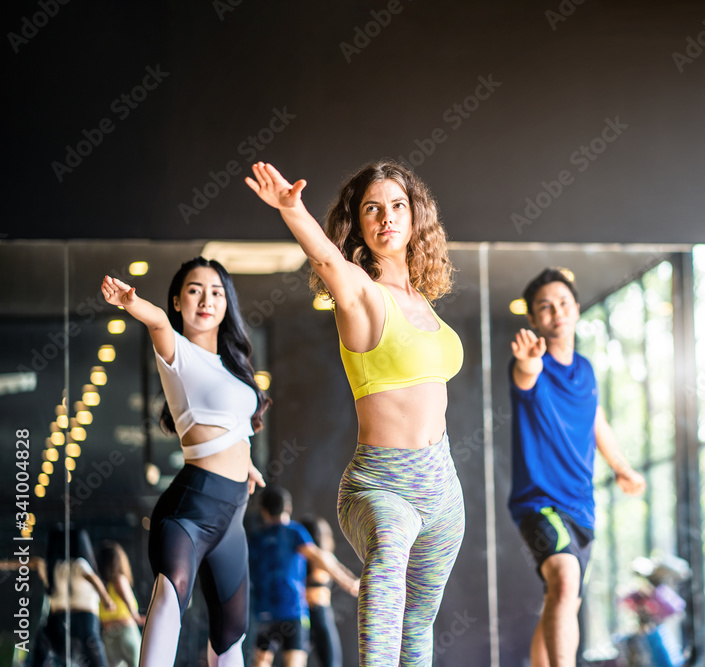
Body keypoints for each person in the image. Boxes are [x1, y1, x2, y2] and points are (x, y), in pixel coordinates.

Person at [246, 160, 465, 666]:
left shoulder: (424, 305)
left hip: (443, 486)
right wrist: (292, 210)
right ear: (359, 224)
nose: (387, 217)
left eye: (397, 206)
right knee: (387, 564)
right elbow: (326, 260)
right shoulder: (361, 294)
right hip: (382, 484)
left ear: (415, 219)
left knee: (417, 627)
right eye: (373, 208)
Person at [101, 256, 271, 667]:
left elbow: (235, 426)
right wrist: (131, 303)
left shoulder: (234, 368)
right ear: (178, 301)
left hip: (233, 514)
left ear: (227, 302)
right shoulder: (178, 352)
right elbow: (157, 322)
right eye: (195, 290)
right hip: (190, 510)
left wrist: (245, 463)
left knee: (231, 631)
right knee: (171, 595)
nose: (206, 300)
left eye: (216, 292)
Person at [508, 268, 647, 667]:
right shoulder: (531, 362)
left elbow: (596, 420)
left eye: (563, 303)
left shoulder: (585, 369)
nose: (556, 312)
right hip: (539, 505)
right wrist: (527, 364)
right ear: (533, 319)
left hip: (581, 508)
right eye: (545, 308)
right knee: (565, 584)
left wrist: (622, 467)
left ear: (577, 309)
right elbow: (525, 376)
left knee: (561, 599)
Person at [248, 488, 360, 667]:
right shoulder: (294, 532)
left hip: (264, 615)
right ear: (288, 508)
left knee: (260, 663)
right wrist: (348, 583)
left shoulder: (256, 539)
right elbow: (320, 558)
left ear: (264, 511)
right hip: (293, 613)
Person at [33, 526, 115, 667]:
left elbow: (31, 562)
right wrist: (107, 599)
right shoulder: (79, 564)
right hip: (85, 618)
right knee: (95, 657)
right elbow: (93, 578)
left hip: (59, 619)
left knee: (47, 651)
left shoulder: (53, 568)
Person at [300, 516, 360, 667]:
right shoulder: (322, 557)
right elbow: (348, 580)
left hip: (300, 614)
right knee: (331, 662)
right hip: (319, 613)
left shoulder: (299, 556)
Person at [97, 541, 144, 667]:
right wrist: (136, 617)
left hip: (108, 634)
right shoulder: (119, 579)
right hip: (125, 630)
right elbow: (129, 602)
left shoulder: (100, 586)